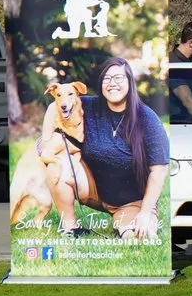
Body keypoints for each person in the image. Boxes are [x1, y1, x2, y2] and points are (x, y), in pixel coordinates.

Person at [58, 56, 172, 239]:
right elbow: (55, 106)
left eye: (119, 78)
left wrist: (145, 212)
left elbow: (159, 170)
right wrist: (47, 138)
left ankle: (126, 223)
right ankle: (70, 227)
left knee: (137, 236)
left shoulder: (146, 118)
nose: (112, 83)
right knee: (59, 166)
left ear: (129, 82)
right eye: (107, 78)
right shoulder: (87, 106)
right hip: (94, 191)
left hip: (131, 201)